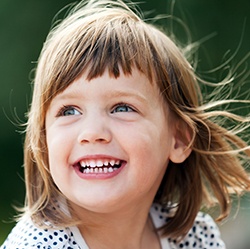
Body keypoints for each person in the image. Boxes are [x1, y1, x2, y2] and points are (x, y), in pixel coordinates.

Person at [1, 0, 250, 248]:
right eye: (69, 110)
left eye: (122, 108)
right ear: (43, 141)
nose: (92, 133)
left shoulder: (195, 238)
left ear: (179, 139)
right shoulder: (36, 245)